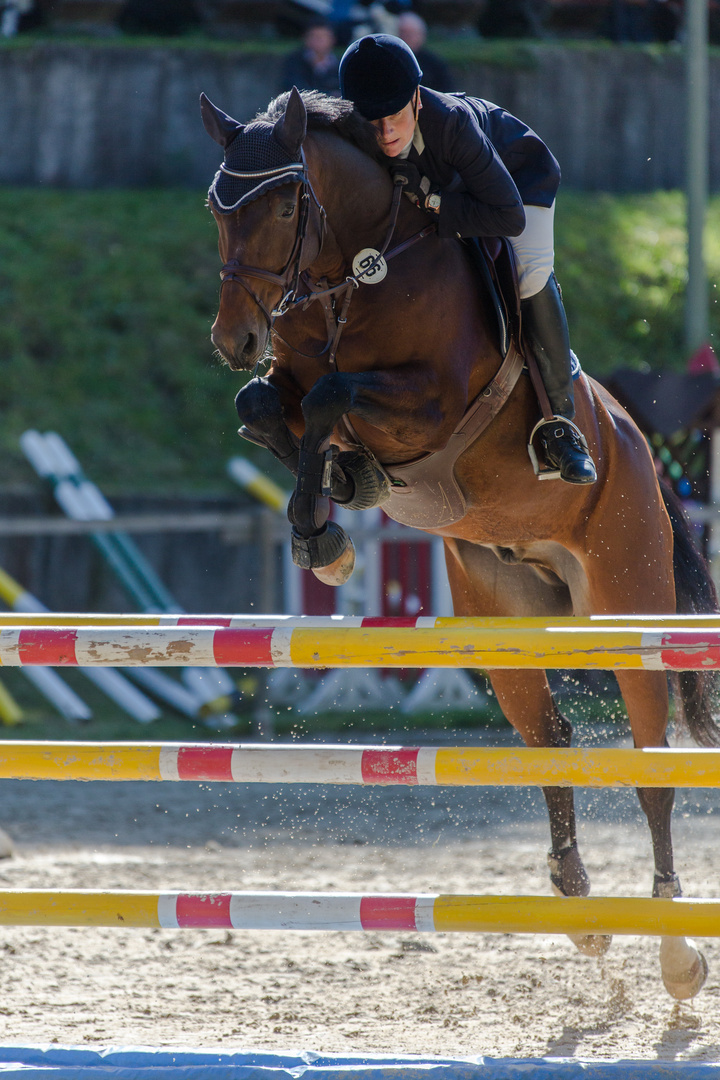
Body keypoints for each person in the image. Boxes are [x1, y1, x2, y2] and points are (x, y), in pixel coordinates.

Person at [338, 33, 596, 485]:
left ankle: (561, 423)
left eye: (394, 117)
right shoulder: (362, 132)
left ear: (416, 99)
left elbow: (507, 216)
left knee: (529, 273)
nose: (386, 134)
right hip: (456, 192)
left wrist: (433, 203)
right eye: (372, 122)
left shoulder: (452, 123)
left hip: (516, 182)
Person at [396, 12, 453, 93]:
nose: (406, 37)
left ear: (421, 35)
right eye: (403, 33)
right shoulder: (391, 59)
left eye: (410, 34)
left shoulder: (434, 63)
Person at [280, 19, 340, 95]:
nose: (319, 41)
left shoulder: (339, 63)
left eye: (323, 37)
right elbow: (292, 87)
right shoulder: (295, 61)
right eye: (314, 36)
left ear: (332, 39)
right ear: (306, 38)